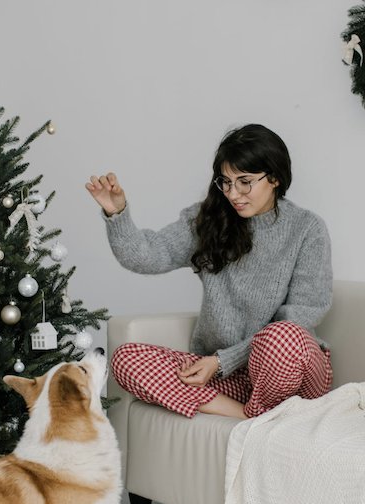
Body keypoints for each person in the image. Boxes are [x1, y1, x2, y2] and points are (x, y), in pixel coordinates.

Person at [86, 124, 333, 420]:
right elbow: (147, 256)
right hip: (231, 380)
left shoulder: (307, 229)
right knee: (126, 359)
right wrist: (117, 214)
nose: (233, 194)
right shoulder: (208, 219)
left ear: (275, 177)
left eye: (245, 182)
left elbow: (303, 315)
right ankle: (252, 417)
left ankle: (264, 413)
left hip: (291, 371)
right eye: (225, 182)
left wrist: (222, 361)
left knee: (281, 337)